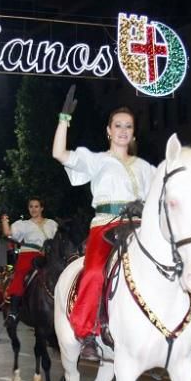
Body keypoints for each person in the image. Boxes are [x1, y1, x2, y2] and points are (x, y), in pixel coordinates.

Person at [51, 89, 155, 360]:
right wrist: (64, 119)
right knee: (95, 272)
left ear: (133, 133)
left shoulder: (145, 167)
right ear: (109, 130)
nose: (123, 130)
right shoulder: (96, 160)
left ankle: (185, 325)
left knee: (173, 261)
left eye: (128, 126)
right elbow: (59, 153)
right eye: (118, 125)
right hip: (106, 226)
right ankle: (86, 333)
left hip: (140, 227)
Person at [0, 198, 57, 323]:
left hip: (48, 255)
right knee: (20, 275)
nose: (33, 209)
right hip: (29, 255)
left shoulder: (52, 224)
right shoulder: (23, 224)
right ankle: (14, 311)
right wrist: (4, 219)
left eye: (36, 206)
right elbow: (8, 232)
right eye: (31, 206)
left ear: (42, 208)